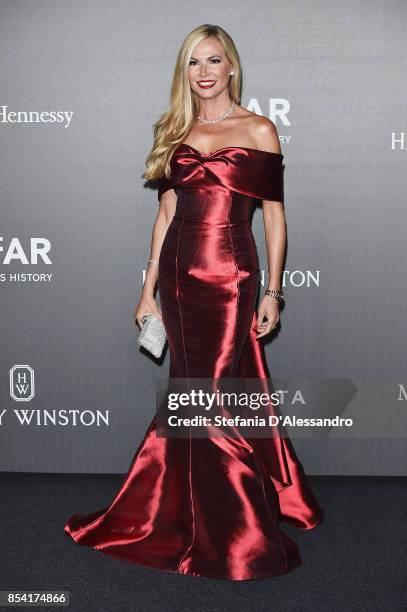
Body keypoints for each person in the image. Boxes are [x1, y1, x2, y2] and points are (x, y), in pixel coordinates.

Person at [64, 23, 324, 581]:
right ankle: (185, 511)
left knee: (210, 400)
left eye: (213, 60)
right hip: (179, 279)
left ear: (231, 66)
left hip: (231, 278)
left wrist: (274, 290)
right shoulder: (174, 127)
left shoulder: (258, 128)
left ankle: (237, 533)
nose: (204, 73)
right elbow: (164, 217)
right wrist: (146, 289)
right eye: (192, 63)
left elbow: (274, 217)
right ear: (184, 72)